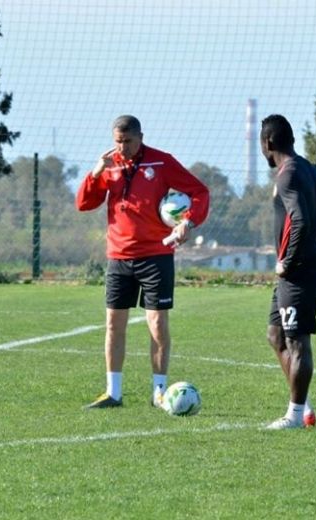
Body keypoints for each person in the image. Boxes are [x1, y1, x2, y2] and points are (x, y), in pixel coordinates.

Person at [75, 115, 209, 409]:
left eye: (128, 142)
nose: (122, 148)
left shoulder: (161, 163)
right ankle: (113, 392)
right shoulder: (110, 165)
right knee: (114, 324)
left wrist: (188, 222)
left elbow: (200, 192)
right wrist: (96, 173)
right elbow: (84, 203)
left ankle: (159, 392)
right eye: (117, 142)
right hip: (119, 256)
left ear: (141, 137)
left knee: (157, 324)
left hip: (156, 255)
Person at [260, 115, 316, 430]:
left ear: (268, 143)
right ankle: (303, 406)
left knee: (297, 341)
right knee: (275, 335)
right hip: (307, 265)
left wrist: (288, 261)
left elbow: (302, 220)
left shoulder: (287, 175)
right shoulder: (309, 170)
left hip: (298, 269)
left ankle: (294, 414)